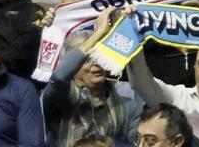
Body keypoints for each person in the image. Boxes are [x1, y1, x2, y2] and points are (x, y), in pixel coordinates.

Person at [42, 9, 143, 147]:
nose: (96, 63)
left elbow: (133, 142)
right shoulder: (60, 95)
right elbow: (59, 76)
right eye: (87, 59)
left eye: (99, 55)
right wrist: (99, 32)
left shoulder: (127, 94)